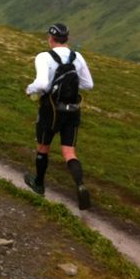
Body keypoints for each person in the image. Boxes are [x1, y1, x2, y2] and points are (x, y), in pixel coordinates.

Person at [24, 23, 94, 209]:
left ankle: (38, 184)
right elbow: (89, 85)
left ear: (50, 38)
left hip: (51, 109)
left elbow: (41, 83)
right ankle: (80, 185)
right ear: (67, 39)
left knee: (43, 147)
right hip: (72, 110)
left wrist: (29, 89)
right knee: (69, 152)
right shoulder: (77, 57)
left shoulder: (44, 57)